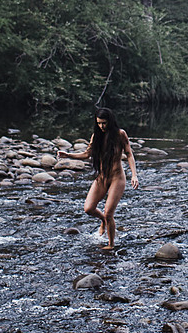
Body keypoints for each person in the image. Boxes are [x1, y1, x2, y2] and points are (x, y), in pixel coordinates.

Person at [57, 107, 139, 250]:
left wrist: (134, 175)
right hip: (102, 177)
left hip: (117, 178)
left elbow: (129, 154)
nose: (102, 126)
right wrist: (68, 155)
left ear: (110, 121)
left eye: (104, 123)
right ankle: (103, 221)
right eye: (99, 123)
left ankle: (111, 244)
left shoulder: (120, 134)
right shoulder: (96, 136)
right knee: (88, 208)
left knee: (109, 213)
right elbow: (86, 154)